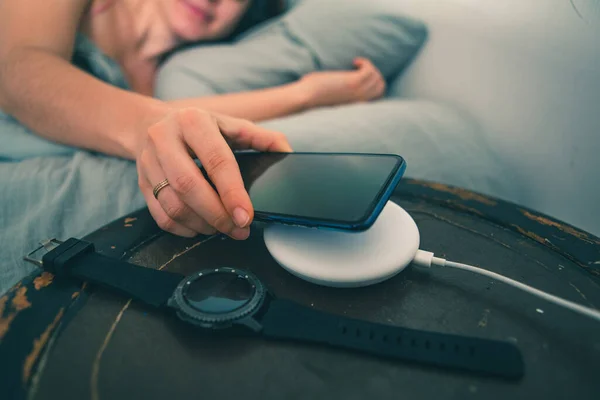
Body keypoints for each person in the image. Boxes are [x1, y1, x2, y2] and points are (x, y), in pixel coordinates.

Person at [0, 0, 386, 243]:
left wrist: (308, 94)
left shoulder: (181, 73)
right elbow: (18, 69)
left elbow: (195, 118)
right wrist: (145, 126)